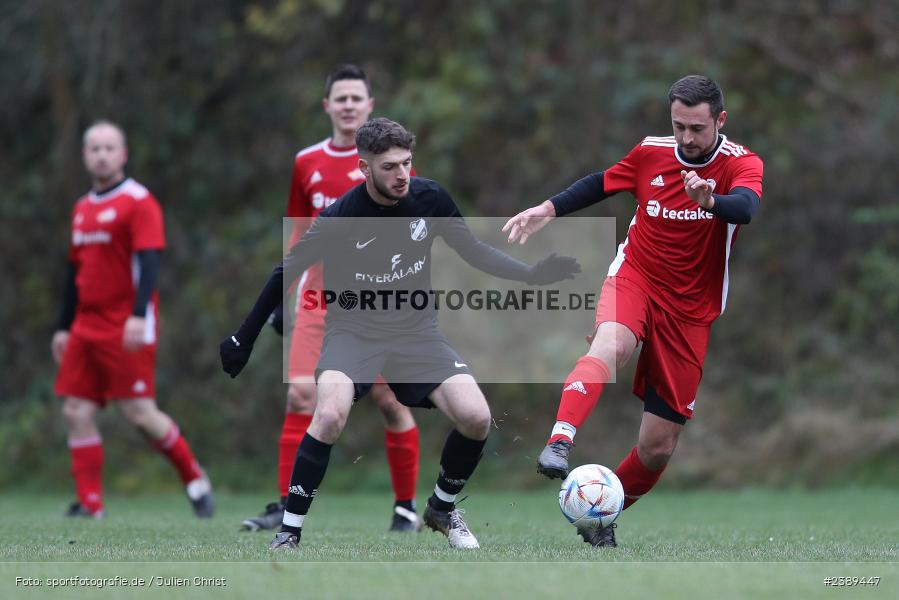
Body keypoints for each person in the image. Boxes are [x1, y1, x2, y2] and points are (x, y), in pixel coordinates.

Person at [220, 117, 579, 550]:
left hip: (416, 334)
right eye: (389, 166)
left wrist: (532, 275)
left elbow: (474, 251)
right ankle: (289, 531)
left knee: (476, 417)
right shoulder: (340, 217)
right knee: (329, 414)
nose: (402, 174)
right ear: (364, 168)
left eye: (406, 163)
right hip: (353, 333)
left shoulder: (430, 198)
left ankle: (441, 508)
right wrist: (244, 337)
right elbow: (286, 271)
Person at [503, 75, 764, 547]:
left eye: (697, 128)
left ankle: (600, 517)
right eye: (679, 125)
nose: (686, 137)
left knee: (658, 447)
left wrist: (711, 201)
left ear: (720, 121)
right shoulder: (651, 152)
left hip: (691, 311)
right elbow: (601, 183)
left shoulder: (741, 163)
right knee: (612, 345)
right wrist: (548, 208)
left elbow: (745, 207)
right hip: (636, 278)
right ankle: (561, 438)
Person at [241, 65, 423, 533]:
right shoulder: (307, 162)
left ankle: (406, 507)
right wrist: (281, 297)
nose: (348, 105)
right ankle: (285, 505)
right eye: (340, 98)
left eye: (355, 98)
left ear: (369, 105)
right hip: (318, 297)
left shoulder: (391, 163)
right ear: (327, 106)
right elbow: (298, 232)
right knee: (300, 395)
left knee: (390, 400)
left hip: (375, 300)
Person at [52, 120, 214, 519]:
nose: (102, 155)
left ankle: (194, 478)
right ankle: (91, 505)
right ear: (85, 156)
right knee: (76, 410)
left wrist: (139, 315)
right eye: (94, 149)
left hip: (125, 321)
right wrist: (63, 326)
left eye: (109, 148)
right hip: (85, 325)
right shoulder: (82, 208)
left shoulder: (139, 201)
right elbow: (75, 272)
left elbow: (150, 261)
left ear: (123, 154)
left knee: (139, 413)